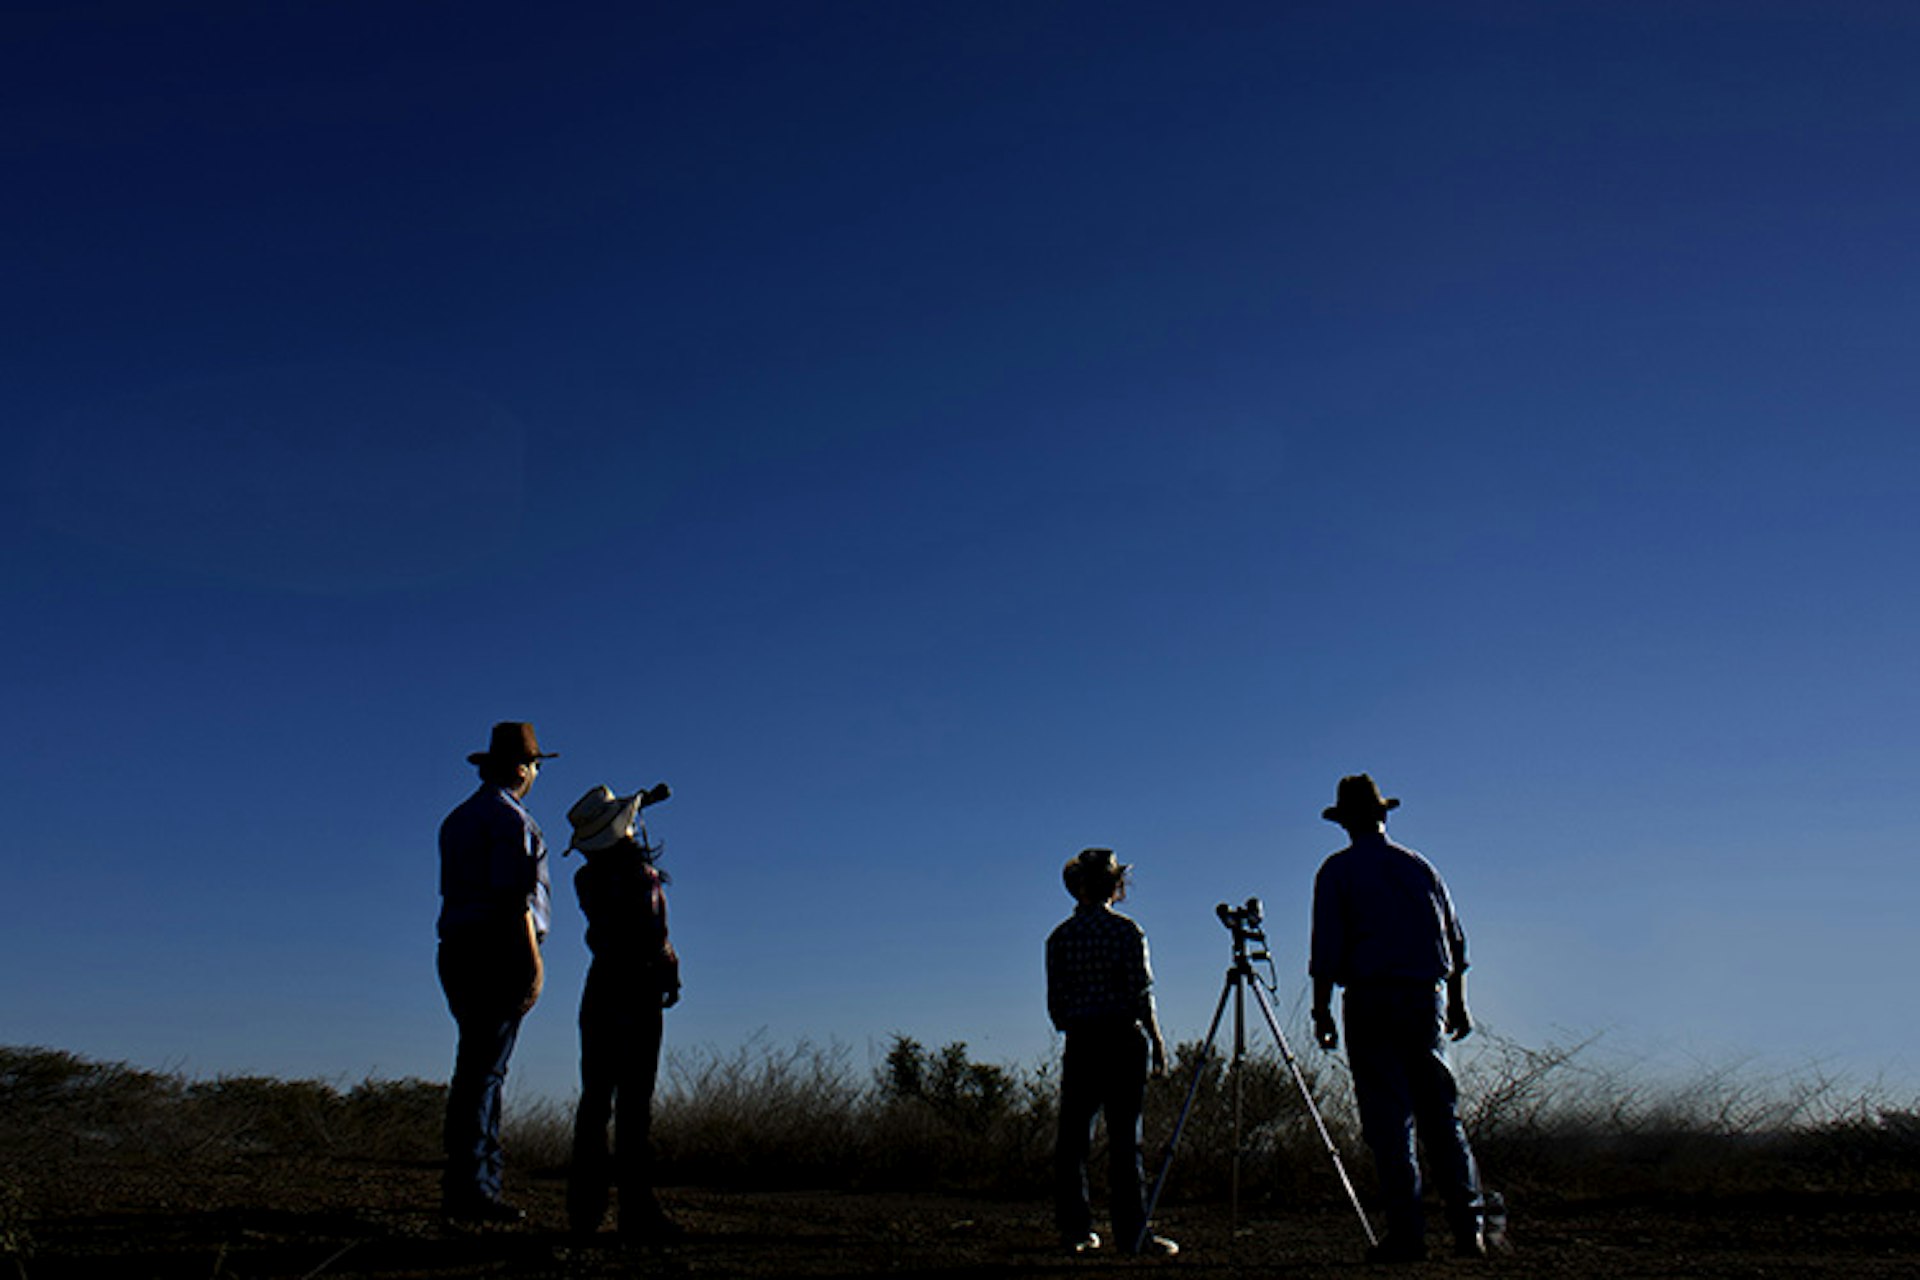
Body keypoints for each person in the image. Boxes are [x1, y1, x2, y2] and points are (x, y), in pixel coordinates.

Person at [1309, 774, 1485, 1263]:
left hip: (1370, 998)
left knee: (1389, 1120)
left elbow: (1327, 945)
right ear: (1383, 815)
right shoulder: (1420, 868)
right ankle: (1468, 1229)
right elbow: (1455, 943)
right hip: (1423, 997)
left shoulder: (1338, 872)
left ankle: (1408, 1235)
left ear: (1345, 821)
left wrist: (1321, 1006)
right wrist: (1456, 1001)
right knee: (1441, 1115)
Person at [436, 721, 556, 1224]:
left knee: (473, 1068)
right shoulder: (513, 823)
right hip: (498, 949)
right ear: (520, 768)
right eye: (533, 765)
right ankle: (476, 1190)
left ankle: (464, 1182)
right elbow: (515, 900)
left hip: (457, 948)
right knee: (487, 1071)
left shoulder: (458, 819)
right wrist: (532, 965)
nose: (534, 774)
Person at [563, 782, 682, 1244]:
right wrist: (667, 971)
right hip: (637, 987)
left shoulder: (587, 878)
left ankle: (585, 1209)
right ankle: (637, 1209)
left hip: (601, 987)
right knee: (634, 1103)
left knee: (595, 1099)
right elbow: (654, 937)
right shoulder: (640, 875)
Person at [1045, 848, 1178, 1258]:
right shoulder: (1127, 932)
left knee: (1073, 1141)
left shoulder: (1061, 938)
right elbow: (1142, 993)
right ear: (1114, 885)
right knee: (1125, 1141)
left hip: (1083, 1039)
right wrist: (1156, 1040)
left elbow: (1057, 1004)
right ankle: (1132, 1234)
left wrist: (1079, 1023)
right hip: (1122, 1038)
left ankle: (1077, 1230)